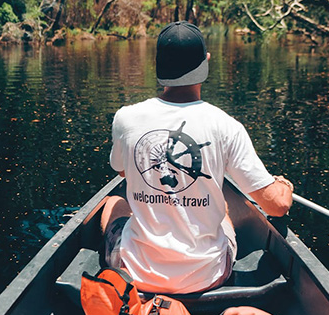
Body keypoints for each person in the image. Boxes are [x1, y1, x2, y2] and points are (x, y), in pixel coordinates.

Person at [102, 21, 294, 294]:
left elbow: (122, 172)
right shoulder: (226, 125)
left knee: (113, 204)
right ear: (206, 62)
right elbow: (276, 207)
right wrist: (284, 189)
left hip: (136, 276)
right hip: (208, 277)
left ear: (158, 64)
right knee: (225, 210)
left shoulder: (126, 118)